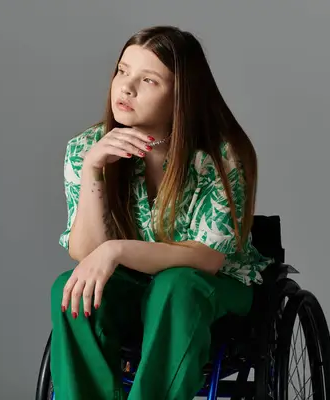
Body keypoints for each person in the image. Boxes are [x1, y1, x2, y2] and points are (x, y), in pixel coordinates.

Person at [50, 25, 275, 400]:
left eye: (148, 80)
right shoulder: (86, 148)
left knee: (177, 285)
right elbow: (84, 254)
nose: (126, 87)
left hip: (213, 288)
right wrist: (93, 170)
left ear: (181, 96)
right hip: (136, 283)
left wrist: (116, 250)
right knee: (70, 288)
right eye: (122, 71)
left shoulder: (220, 158)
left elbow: (205, 259)